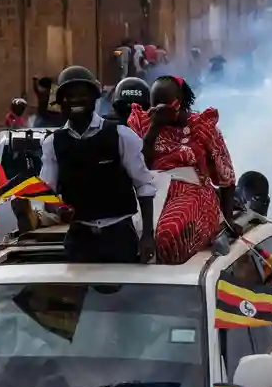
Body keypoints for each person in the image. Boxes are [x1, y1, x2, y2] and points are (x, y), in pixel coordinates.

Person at [34, 65, 156, 263]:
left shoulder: (120, 135)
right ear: (60, 102)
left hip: (119, 237)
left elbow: (144, 186)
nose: (75, 101)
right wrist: (59, 210)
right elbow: (47, 193)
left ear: (94, 98)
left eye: (82, 95)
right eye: (68, 96)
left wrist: (148, 236)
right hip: (80, 240)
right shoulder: (53, 143)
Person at [127, 75, 238, 265]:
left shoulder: (202, 127)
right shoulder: (144, 124)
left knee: (168, 234)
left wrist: (227, 221)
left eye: (164, 104)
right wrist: (154, 127)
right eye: (154, 104)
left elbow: (226, 176)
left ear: (179, 102)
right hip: (150, 192)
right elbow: (139, 163)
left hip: (193, 193)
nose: (158, 109)